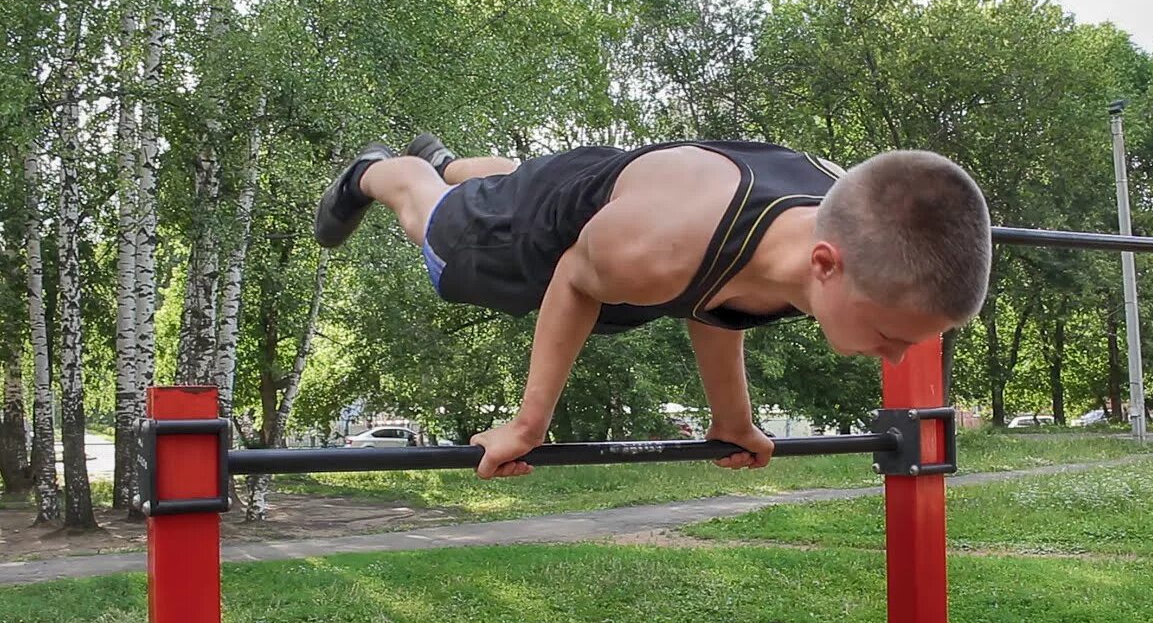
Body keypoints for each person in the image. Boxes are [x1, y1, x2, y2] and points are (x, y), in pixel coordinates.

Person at [314, 133, 992, 479]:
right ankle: (386, 169)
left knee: (514, 185)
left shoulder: (842, 230)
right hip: (550, 244)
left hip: (611, 193)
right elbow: (576, 282)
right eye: (889, 333)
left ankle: (459, 164)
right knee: (436, 235)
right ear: (825, 267)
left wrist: (733, 422)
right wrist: (527, 424)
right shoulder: (663, 247)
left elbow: (721, 301)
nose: (899, 355)